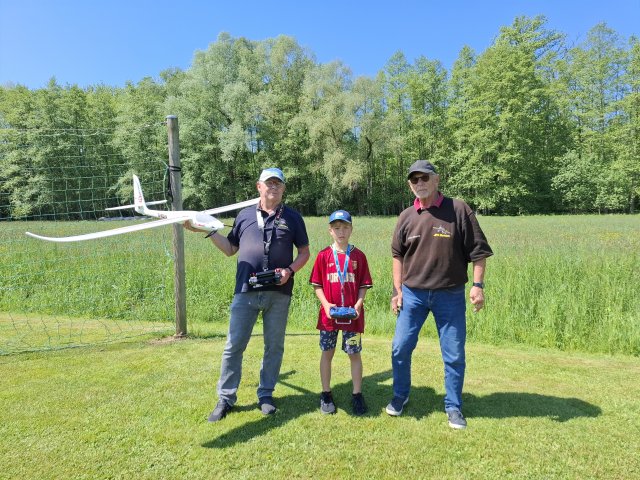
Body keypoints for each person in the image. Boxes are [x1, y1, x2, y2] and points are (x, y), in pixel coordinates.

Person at [184, 167, 310, 422]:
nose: (273, 187)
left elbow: (305, 253)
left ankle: (266, 395)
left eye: (278, 183)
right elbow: (230, 249)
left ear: (283, 189)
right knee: (234, 346)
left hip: (279, 292)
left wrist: (289, 271)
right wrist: (208, 232)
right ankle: (225, 398)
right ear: (258, 187)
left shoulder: (293, 217)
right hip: (245, 291)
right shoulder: (243, 216)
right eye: (268, 183)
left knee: (274, 347)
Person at [386, 160, 493, 429]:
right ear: (410, 185)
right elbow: (398, 256)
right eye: (414, 179)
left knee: (454, 354)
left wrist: (477, 286)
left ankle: (453, 406)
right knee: (400, 347)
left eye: (424, 178)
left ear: (436, 180)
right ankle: (400, 395)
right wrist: (397, 291)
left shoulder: (458, 210)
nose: (419, 183)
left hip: (450, 295)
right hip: (413, 295)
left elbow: (478, 252)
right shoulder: (406, 216)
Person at [309, 210, 373, 416]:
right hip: (329, 317)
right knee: (327, 353)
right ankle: (326, 393)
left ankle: (357, 394)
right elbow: (317, 285)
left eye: (345, 227)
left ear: (351, 229)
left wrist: (359, 304)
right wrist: (326, 305)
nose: (341, 232)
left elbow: (363, 285)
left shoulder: (358, 256)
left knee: (354, 354)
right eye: (337, 228)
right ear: (330, 231)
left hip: (352, 317)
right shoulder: (323, 256)